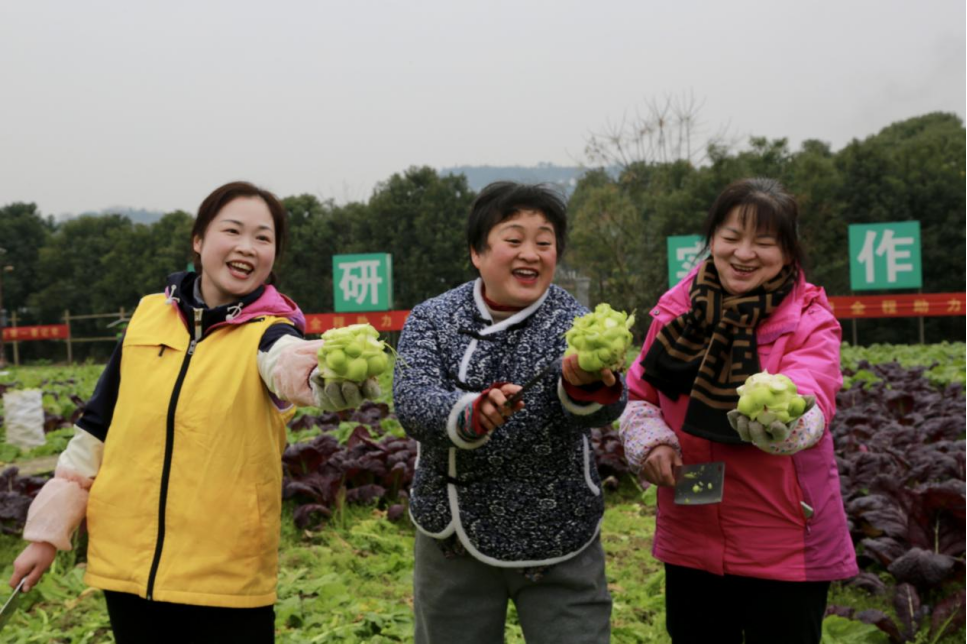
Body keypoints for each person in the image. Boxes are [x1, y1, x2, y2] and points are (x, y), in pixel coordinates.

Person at [8, 181, 376, 643]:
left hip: (224, 575)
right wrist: (46, 535)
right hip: (128, 567)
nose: (247, 247)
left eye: (263, 238)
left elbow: (289, 364)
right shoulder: (147, 318)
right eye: (233, 231)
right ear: (198, 240)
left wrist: (323, 377)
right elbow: (96, 428)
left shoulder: (270, 332)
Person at [619, 177, 857, 644]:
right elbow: (639, 396)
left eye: (764, 242)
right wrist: (651, 443)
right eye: (731, 237)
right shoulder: (676, 313)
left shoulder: (810, 320)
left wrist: (783, 420)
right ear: (712, 240)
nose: (744, 253)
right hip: (691, 532)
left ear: (787, 252)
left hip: (785, 537)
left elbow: (813, 397)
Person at [393, 181, 627, 644]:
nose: (531, 254)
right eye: (514, 239)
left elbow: (605, 411)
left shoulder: (576, 324)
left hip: (557, 529)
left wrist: (584, 384)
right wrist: (470, 414)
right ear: (477, 253)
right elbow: (413, 399)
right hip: (453, 537)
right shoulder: (433, 318)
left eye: (544, 242)